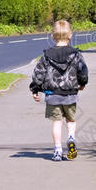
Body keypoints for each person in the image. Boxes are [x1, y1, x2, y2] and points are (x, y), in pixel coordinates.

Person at [30, 20, 88, 161]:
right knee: (71, 120)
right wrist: (82, 84)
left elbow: (39, 73)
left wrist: (35, 89)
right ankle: (71, 137)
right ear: (70, 35)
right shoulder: (75, 54)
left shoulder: (47, 55)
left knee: (56, 123)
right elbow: (83, 71)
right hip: (70, 94)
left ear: (52, 36)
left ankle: (57, 150)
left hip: (53, 95)